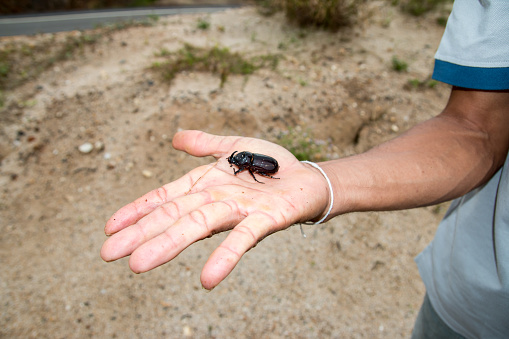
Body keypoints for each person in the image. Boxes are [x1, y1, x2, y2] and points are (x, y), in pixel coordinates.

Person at [100, 0, 509, 337]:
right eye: (238, 165)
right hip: (475, 305)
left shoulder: (249, 167)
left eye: (237, 164)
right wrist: (321, 182)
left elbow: (256, 169)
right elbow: (477, 128)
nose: (237, 166)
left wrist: (272, 175)